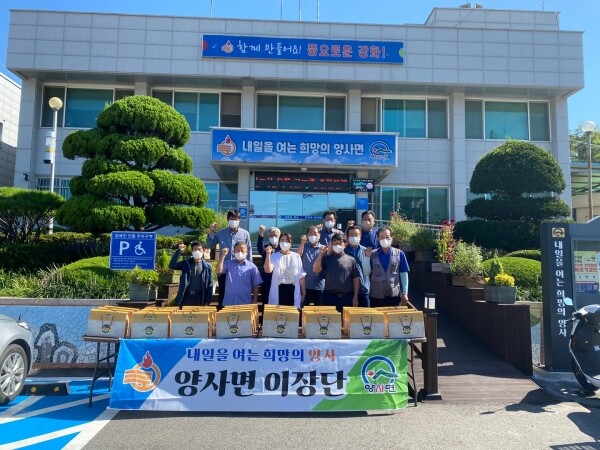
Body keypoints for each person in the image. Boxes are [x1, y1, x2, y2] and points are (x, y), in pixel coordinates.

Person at [206, 210, 252, 308]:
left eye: (236, 219)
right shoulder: (221, 233)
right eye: (231, 219)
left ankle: (239, 313)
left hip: (240, 269)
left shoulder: (245, 234)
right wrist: (211, 232)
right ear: (228, 219)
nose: (234, 221)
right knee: (223, 294)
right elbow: (210, 244)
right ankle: (222, 314)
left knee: (239, 293)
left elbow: (249, 250)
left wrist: (249, 267)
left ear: (239, 220)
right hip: (224, 269)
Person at [313, 233, 360, 313]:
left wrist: (355, 296)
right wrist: (320, 254)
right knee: (331, 320)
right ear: (331, 244)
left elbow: (356, 279)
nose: (337, 245)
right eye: (335, 243)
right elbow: (315, 270)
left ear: (345, 244)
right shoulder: (326, 258)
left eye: (340, 243)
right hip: (330, 297)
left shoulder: (351, 260)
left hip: (347, 297)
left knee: (346, 320)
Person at [370, 226, 410, 308]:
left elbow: (403, 274)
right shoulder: (372, 254)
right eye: (382, 237)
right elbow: (367, 272)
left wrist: (405, 292)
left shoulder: (399, 253)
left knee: (393, 315)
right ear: (378, 238)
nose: (385, 239)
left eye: (387, 237)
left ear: (392, 238)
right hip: (376, 295)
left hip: (394, 295)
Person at [264, 233, 306, 309]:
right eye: (282, 240)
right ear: (279, 242)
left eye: (287, 241)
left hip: (293, 289)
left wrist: (303, 293)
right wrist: (268, 254)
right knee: (278, 313)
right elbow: (268, 270)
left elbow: (301, 275)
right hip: (279, 290)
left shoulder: (296, 256)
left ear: (291, 243)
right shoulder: (274, 255)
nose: (284, 243)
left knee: (292, 313)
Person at [216, 241, 262, 307]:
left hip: (245, 303)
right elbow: (218, 271)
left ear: (247, 252)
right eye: (237, 250)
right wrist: (223, 256)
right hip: (229, 302)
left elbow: (255, 285)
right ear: (234, 252)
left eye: (242, 250)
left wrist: (254, 300)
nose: (239, 252)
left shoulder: (252, 267)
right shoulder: (228, 264)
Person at [169, 241, 213, 307]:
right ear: (191, 251)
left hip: (200, 297)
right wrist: (179, 251)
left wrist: (207, 301)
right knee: (185, 313)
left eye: (199, 249)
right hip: (186, 296)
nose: (197, 251)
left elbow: (210, 284)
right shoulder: (186, 263)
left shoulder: (207, 266)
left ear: (203, 250)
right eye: (195, 249)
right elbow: (172, 265)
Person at [344, 225, 372, 308]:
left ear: (360, 236)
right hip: (347, 290)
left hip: (363, 289)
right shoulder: (343, 251)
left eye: (356, 235)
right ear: (347, 237)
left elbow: (369, 270)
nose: (354, 237)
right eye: (351, 234)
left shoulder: (365, 251)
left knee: (364, 315)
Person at [297, 226, 325, 306]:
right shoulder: (304, 247)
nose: (313, 236)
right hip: (305, 286)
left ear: (319, 235)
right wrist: (302, 242)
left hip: (319, 286)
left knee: (319, 311)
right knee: (303, 309)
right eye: (310, 234)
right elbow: (298, 255)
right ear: (307, 236)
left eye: (315, 234)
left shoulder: (323, 248)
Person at [257, 225, 281, 304]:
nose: (273, 237)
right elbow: (260, 247)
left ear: (279, 236)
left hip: (279, 279)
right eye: (271, 236)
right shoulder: (266, 248)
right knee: (266, 300)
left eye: (275, 235)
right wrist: (261, 233)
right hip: (267, 279)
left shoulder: (282, 249)